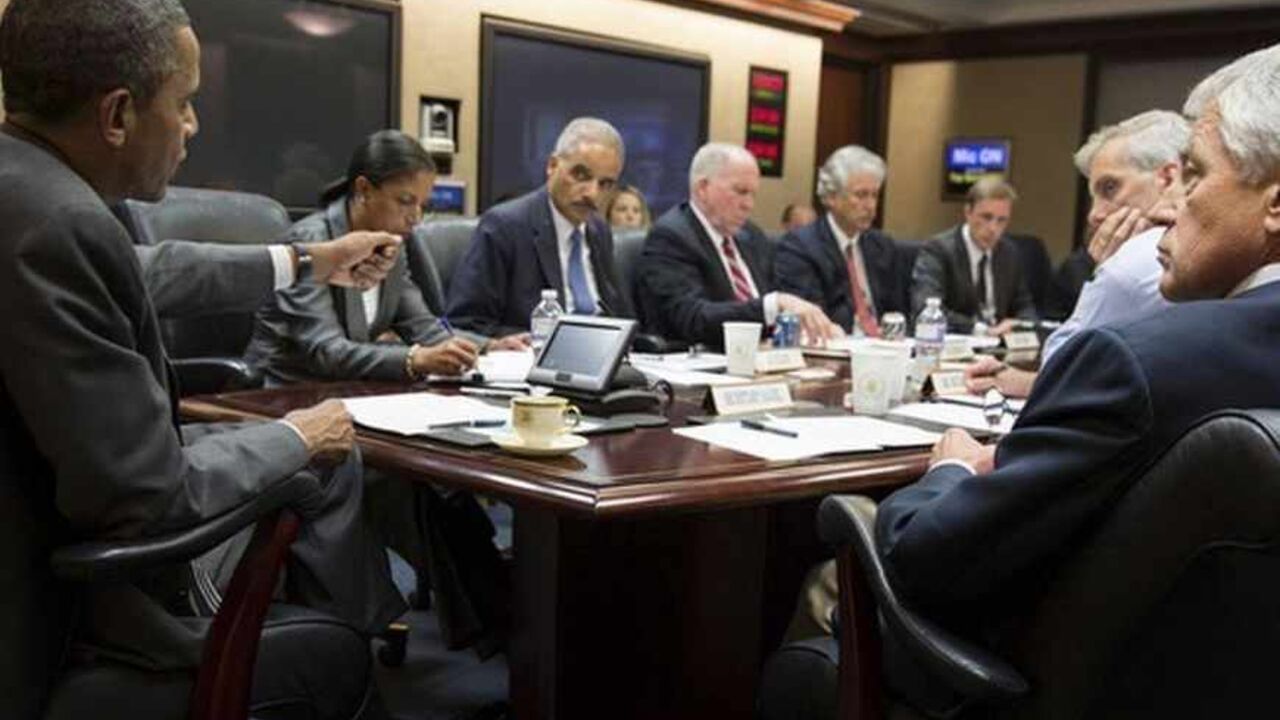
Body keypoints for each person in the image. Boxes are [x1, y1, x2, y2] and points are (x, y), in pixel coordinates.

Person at [0, 1, 406, 716]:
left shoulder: (27, 189)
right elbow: (146, 497)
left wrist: (311, 259)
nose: (193, 125)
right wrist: (296, 434)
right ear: (118, 114)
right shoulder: (60, 226)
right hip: (73, 612)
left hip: (62, 510)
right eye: (184, 103)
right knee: (320, 459)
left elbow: (150, 270)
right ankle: (317, 655)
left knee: (317, 458)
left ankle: (313, 631)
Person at [869, 45, 1280, 716]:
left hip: (1050, 685)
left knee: (832, 578)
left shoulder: (1132, 362)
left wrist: (951, 475)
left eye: (1196, 176)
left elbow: (931, 565)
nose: (1167, 213)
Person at [246, 130, 526, 386]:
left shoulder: (392, 243)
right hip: (279, 395)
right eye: (405, 201)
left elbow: (423, 328)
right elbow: (326, 351)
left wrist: (486, 347)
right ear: (364, 190)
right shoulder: (311, 243)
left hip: (347, 393)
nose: (416, 218)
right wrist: (413, 360)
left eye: (423, 205)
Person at [965, 111, 1188, 398]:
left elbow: (1061, 369)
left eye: (1110, 188)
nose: (1095, 215)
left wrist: (1109, 270)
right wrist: (1022, 382)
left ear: (1168, 178)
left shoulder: (1142, 258)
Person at [635, 142, 841, 348]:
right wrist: (772, 306)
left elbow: (781, 301)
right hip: (704, 363)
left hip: (764, 359)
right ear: (703, 188)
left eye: (753, 194)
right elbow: (693, 319)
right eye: (741, 191)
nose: (748, 205)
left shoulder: (751, 236)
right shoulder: (671, 237)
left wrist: (812, 324)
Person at [446, 117, 633, 337]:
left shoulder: (598, 230)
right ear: (552, 166)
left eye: (605, 184)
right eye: (581, 175)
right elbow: (465, 324)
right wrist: (500, 342)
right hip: (530, 361)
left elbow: (619, 315)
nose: (592, 193)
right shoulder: (505, 226)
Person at [774, 145, 911, 336]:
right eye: (861, 195)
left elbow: (900, 312)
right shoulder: (799, 247)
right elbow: (812, 319)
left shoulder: (882, 246)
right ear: (831, 197)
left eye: (875, 195)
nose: (870, 205)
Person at [911, 177, 1037, 335]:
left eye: (1001, 220)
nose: (993, 228)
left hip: (999, 346)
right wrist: (983, 330)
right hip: (958, 343)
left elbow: (1025, 305)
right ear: (968, 212)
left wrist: (1019, 324)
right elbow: (926, 308)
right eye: (986, 217)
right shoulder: (938, 250)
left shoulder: (1009, 253)